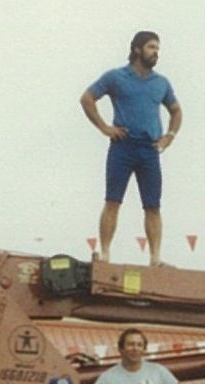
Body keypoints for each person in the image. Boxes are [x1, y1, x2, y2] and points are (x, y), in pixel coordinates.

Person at [80, 31, 182, 266]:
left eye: (157, 48)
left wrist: (170, 136)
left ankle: (155, 258)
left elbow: (176, 111)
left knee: (153, 205)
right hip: (122, 147)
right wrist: (104, 127)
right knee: (113, 200)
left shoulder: (161, 83)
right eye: (151, 47)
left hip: (149, 149)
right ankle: (105, 253)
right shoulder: (116, 77)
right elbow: (87, 98)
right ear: (137, 49)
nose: (156, 52)